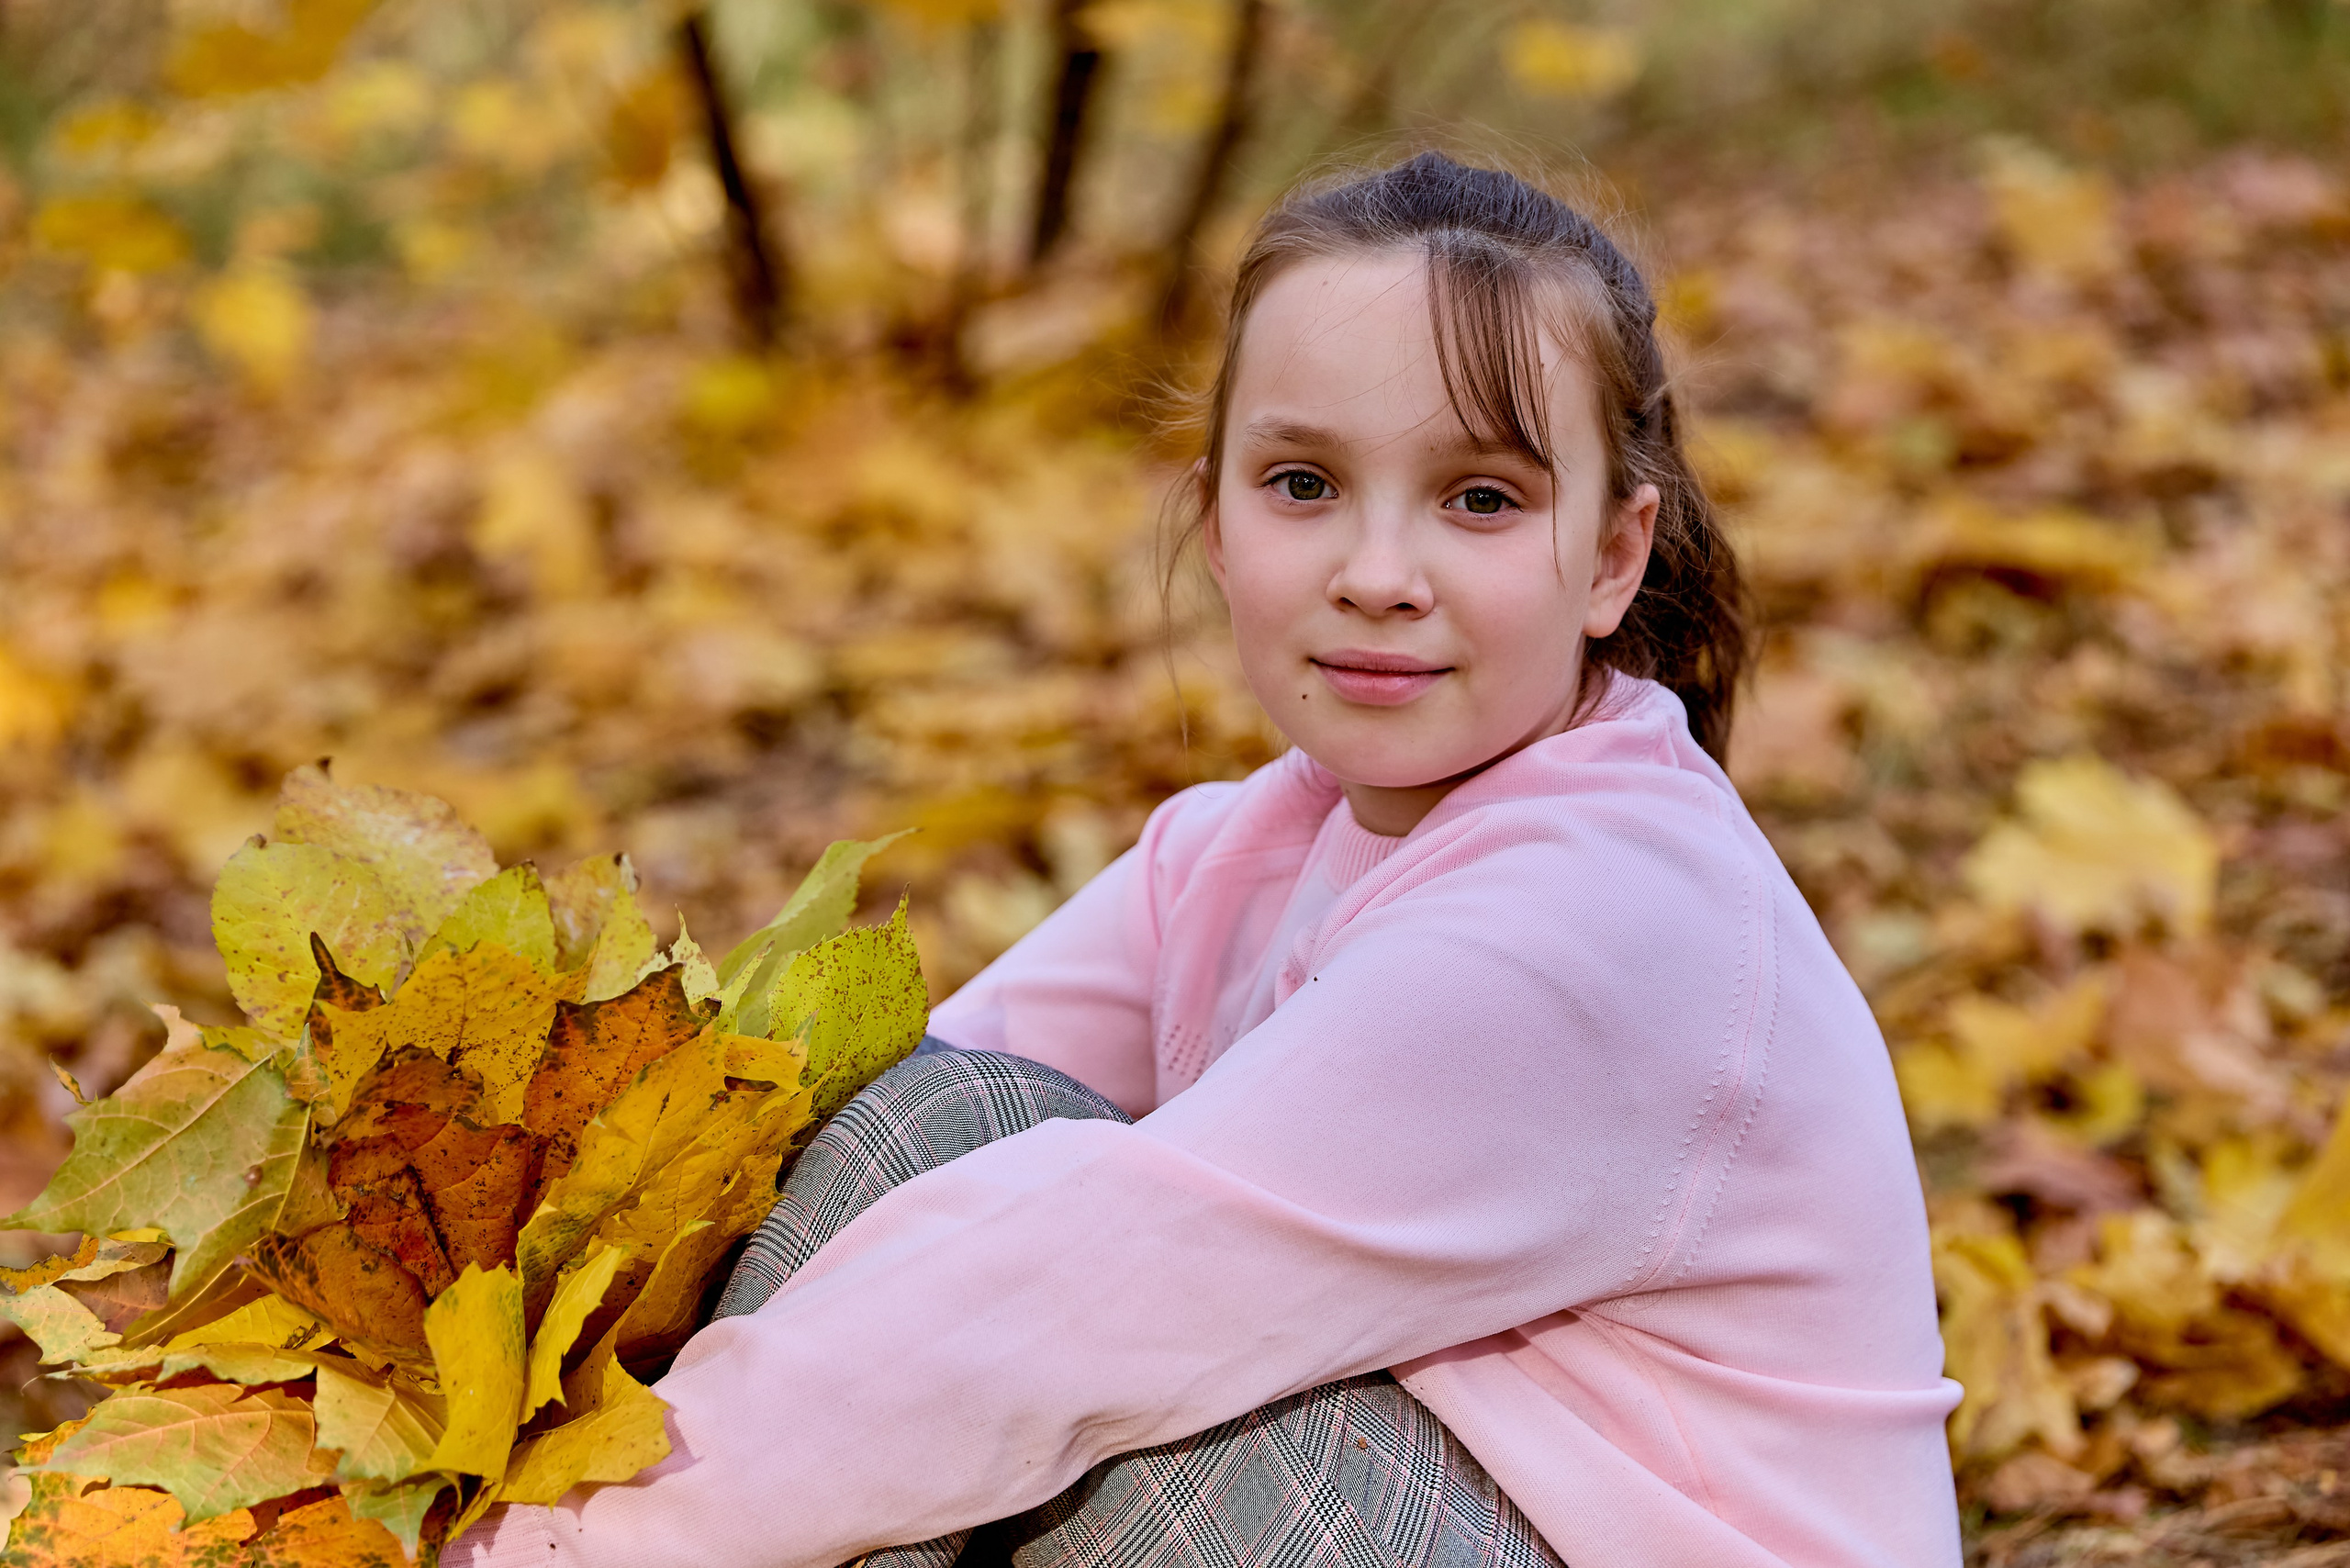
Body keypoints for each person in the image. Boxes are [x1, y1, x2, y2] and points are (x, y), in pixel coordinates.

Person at [450, 151, 1963, 1568]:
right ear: (1219, 523)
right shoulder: (1252, 843)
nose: (1379, 576)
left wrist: (551, 1544)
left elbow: (1052, 1316)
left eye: (1480, 499)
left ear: (1612, 558)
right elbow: (859, 1149)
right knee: (930, 1135)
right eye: (1304, 485)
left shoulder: (1591, 928)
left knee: (1084, 1414)